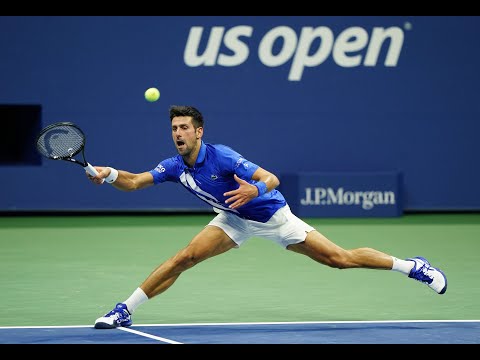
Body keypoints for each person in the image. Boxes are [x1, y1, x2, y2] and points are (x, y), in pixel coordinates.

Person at [87, 105, 447, 329]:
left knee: (340, 259)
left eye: (184, 128)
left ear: (198, 132)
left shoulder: (223, 157)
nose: (177, 134)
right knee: (186, 257)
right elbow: (134, 183)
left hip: (273, 216)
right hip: (232, 219)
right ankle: (125, 309)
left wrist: (253, 191)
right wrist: (111, 174)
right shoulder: (173, 166)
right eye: (173, 129)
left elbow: (270, 178)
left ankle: (412, 266)